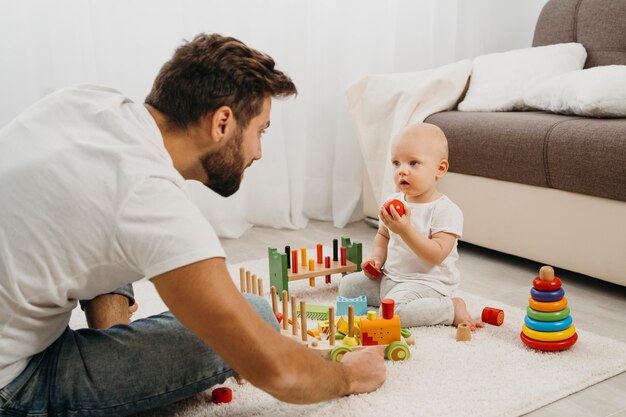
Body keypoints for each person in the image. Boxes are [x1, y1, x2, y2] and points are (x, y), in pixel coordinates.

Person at [0, 33, 386, 416]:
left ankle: (108, 337)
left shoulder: (87, 100)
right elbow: (278, 371)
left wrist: (115, 344)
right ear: (222, 123)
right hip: (14, 382)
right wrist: (347, 376)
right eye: (260, 132)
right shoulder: (152, 202)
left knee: (98, 208)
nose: (259, 152)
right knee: (257, 316)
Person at [339, 123, 484, 330]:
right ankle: (396, 299)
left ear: (440, 169)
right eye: (396, 163)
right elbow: (383, 235)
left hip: (427, 284)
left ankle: (450, 308)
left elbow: (436, 255)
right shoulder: (392, 201)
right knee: (347, 288)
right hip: (390, 277)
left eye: (413, 163)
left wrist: (405, 230)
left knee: (393, 315)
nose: (402, 171)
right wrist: (377, 260)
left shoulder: (446, 210)